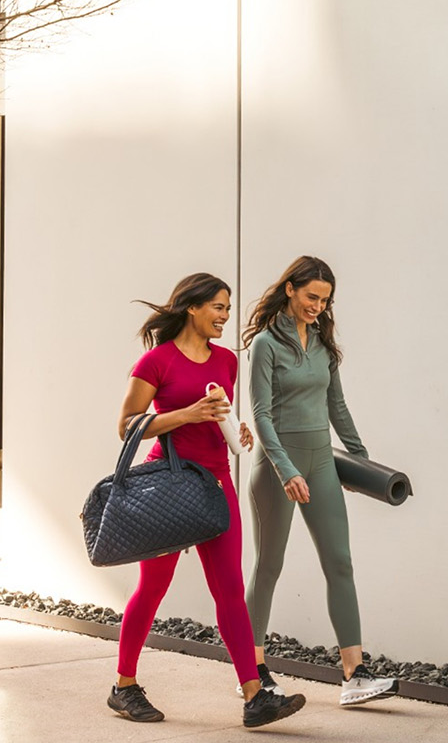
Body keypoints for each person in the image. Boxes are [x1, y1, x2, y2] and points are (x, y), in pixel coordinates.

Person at [107, 272, 307, 728]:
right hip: (171, 486)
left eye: (228, 308)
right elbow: (127, 426)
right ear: (192, 307)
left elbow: (218, 415)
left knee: (230, 589)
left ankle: (255, 697)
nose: (225, 316)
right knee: (153, 587)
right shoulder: (156, 362)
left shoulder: (225, 361)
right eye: (218, 307)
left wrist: (234, 428)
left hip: (217, 484)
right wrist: (186, 414)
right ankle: (124, 686)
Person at [243, 256, 397, 707]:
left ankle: (354, 673)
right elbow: (262, 415)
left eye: (325, 300)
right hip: (277, 466)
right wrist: (285, 469)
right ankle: (252, 669)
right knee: (269, 566)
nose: (318, 306)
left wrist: (361, 463)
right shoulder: (266, 345)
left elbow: (338, 407)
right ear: (289, 289)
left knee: (340, 563)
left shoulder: (324, 346)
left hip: (323, 464)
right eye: (311, 296)